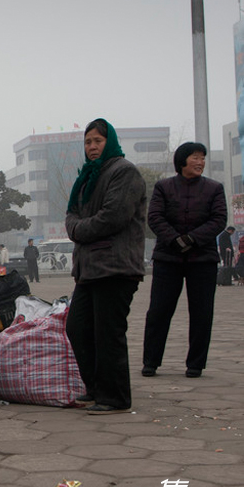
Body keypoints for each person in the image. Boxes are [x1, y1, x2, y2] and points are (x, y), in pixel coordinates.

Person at [65, 118, 146, 415]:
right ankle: (96, 388)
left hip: (116, 266)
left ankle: (115, 397)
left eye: (97, 141)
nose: (92, 147)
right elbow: (71, 214)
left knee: (108, 332)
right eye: (88, 142)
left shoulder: (124, 172)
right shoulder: (88, 176)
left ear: (108, 141)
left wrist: (79, 229)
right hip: (89, 269)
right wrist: (78, 226)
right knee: (78, 327)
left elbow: (113, 216)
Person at [142, 143, 226, 378]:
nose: (200, 162)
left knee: (201, 312)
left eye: (202, 158)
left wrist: (192, 238)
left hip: (203, 259)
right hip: (168, 258)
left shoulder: (214, 188)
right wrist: (174, 240)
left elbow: (219, 219)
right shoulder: (163, 187)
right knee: (159, 311)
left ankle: (195, 364)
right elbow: (155, 217)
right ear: (181, 161)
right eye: (195, 158)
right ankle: (151, 361)